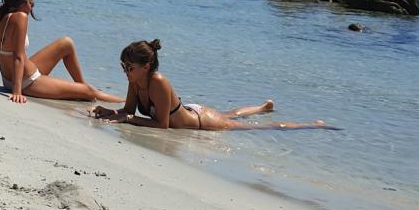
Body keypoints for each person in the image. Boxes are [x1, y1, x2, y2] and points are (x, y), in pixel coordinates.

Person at [91, 39, 328, 130]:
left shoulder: (158, 82)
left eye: (129, 68)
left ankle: (310, 124)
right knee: (232, 113)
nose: (126, 72)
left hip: (202, 122)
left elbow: (161, 125)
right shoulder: (135, 81)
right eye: (124, 67)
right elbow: (127, 112)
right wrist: (108, 112)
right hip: (191, 111)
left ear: (147, 65)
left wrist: (129, 119)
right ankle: (262, 108)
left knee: (256, 127)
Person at [0, 0, 122, 104]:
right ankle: (122, 102)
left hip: (13, 78)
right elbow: (17, 57)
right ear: (22, 3)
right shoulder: (20, 17)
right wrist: (17, 92)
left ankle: (79, 88)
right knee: (91, 91)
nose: (31, 9)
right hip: (26, 82)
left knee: (66, 43)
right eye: (31, 4)